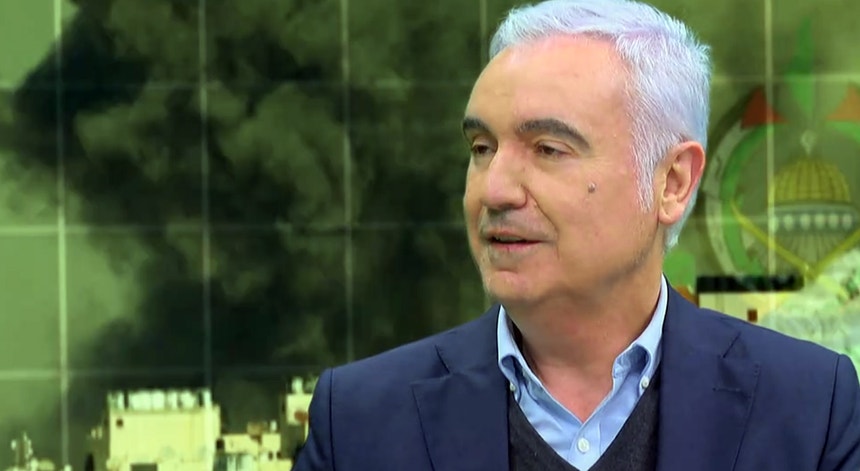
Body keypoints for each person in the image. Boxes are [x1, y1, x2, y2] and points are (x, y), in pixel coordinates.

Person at [293, 0, 860, 469]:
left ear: (672, 182)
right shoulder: (359, 423)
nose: (494, 190)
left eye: (548, 149)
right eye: (482, 148)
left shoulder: (811, 411)